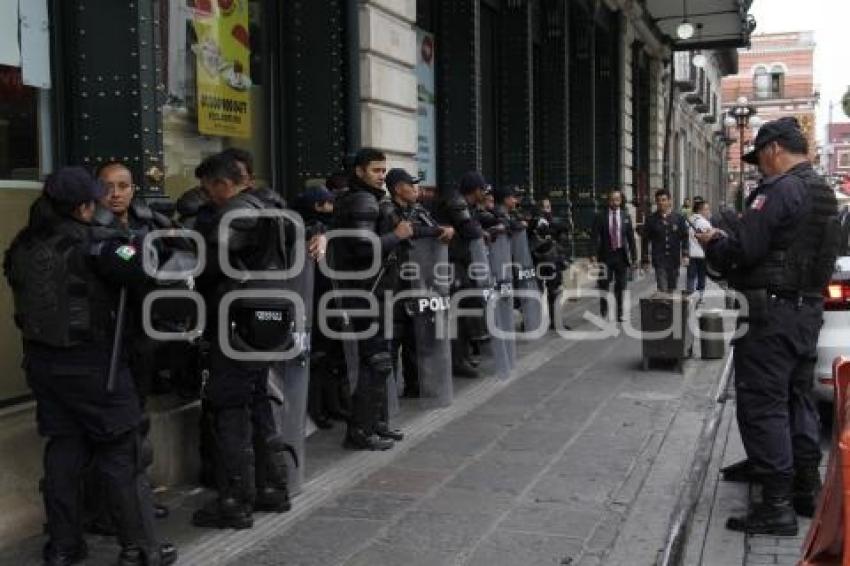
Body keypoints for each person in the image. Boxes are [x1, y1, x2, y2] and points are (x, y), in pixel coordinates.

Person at [4, 167, 176, 566]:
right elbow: (145, 271)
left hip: (43, 365)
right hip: (95, 365)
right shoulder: (100, 244)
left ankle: (63, 547)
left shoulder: (23, 245)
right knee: (122, 455)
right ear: (84, 207)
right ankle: (140, 548)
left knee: (63, 453)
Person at [696, 117, 840, 535]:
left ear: (774, 149)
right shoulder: (823, 193)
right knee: (798, 398)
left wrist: (714, 242)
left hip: (770, 315)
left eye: (760, 157)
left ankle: (775, 505)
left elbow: (743, 251)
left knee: (764, 403)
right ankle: (803, 486)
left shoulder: (778, 191)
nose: (759, 166)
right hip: (806, 311)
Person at [190, 151, 298, 529]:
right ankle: (273, 487)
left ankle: (235, 500)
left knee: (229, 408)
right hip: (269, 319)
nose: (207, 196)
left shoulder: (234, 213)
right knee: (258, 402)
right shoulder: (275, 208)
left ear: (223, 183)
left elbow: (208, 266)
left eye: (208, 189)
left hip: (236, 322)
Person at [331, 148, 408, 450]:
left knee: (380, 360)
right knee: (373, 361)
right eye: (376, 170)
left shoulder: (369, 198)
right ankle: (361, 431)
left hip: (372, 289)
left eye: (383, 170)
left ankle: (375, 423)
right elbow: (364, 248)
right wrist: (397, 236)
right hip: (364, 291)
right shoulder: (362, 200)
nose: (381, 175)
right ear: (360, 171)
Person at [379, 169, 453, 399]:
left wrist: (445, 230)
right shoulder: (386, 209)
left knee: (416, 334)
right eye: (411, 185)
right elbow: (410, 231)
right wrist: (435, 230)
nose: (416, 189)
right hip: (393, 283)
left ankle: (415, 384)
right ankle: (387, 393)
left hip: (416, 281)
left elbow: (433, 227)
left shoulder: (418, 209)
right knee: (393, 338)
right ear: (399, 188)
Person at [591, 190, 637, 322]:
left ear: (620, 201)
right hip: (605, 255)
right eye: (612, 200)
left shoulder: (625, 216)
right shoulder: (600, 216)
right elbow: (594, 237)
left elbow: (631, 239)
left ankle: (620, 312)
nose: (614, 202)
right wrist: (593, 254)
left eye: (617, 200)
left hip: (621, 256)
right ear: (608, 201)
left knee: (621, 285)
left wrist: (634, 258)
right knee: (604, 283)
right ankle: (604, 307)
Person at [529, 198, 571, 329]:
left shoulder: (554, 223)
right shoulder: (533, 223)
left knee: (555, 292)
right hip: (538, 262)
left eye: (549, 207)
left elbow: (564, 232)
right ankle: (531, 322)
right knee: (536, 292)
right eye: (545, 207)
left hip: (553, 262)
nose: (548, 210)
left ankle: (556, 321)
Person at [643, 188, 689, 292]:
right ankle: (664, 306)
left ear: (669, 201)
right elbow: (645, 240)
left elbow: (685, 236)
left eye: (663, 200)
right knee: (662, 288)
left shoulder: (678, 218)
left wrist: (685, 255)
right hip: (659, 259)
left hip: (674, 259)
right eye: (658, 200)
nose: (661, 203)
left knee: (671, 288)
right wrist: (645, 259)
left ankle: (668, 307)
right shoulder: (651, 219)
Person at [686, 199, 712, 301]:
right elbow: (710, 238)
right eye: (706, 209)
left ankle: (689, 296)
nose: (708, 211)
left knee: (690, 276)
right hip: (702, 254)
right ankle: (700, 297)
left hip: (690, 253)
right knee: (701, 276)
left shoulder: (688, 220)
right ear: (700, 210)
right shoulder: (705, 223)